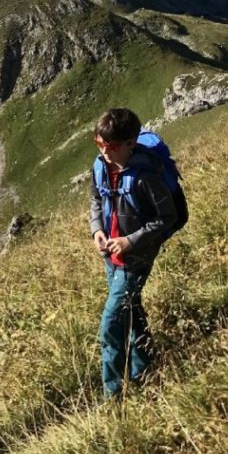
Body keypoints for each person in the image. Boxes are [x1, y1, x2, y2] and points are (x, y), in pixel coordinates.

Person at [89, 108, 176, 402]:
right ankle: (145, 368)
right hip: (110, 255)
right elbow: (95, 200)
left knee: (111, 324)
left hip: (136, 258)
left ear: (130, 143)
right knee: (132, 311)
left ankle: (113, 396)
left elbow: (167, 217)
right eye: (99, 144)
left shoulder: (145, 176)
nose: (105, 152)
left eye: (111, 147)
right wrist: (97, 230)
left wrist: (130, 241)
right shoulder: (101, 165)